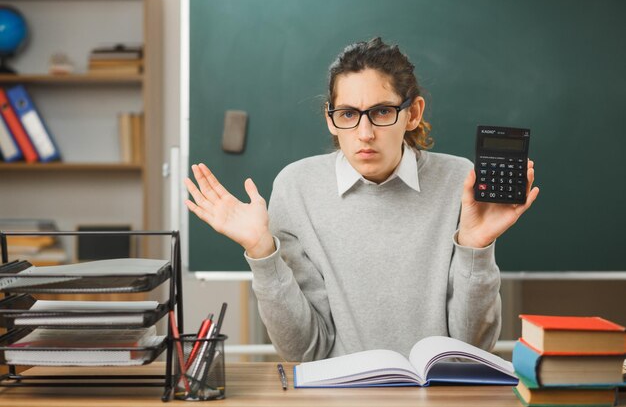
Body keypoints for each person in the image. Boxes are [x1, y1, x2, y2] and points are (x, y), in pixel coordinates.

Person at [185, 37, 539, 362]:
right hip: (340, 396)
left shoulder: (459, 182)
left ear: (413, 114)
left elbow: (473, 348)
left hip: (437, 395)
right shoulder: (297, 188)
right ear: (331, 119)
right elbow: (304, 350)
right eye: (349, 114)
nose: (364, 133)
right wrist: (263, 251)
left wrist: (475, 248)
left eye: (382, 112)